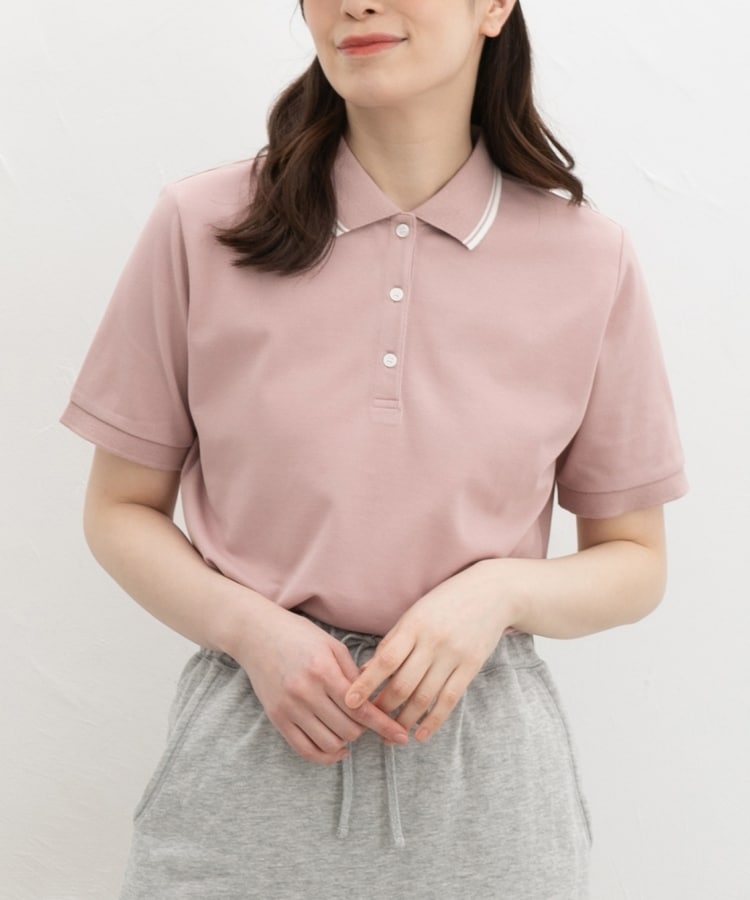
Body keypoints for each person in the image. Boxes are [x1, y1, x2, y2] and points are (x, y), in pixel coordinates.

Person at [60, 1, 688, 897]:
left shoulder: (590, 260)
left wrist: (499, 592)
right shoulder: (201, 226)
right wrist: (248, 629)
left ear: (494, 6)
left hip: (489, 815)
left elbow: (635, 561)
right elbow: (119, 509)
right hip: (237, 797)